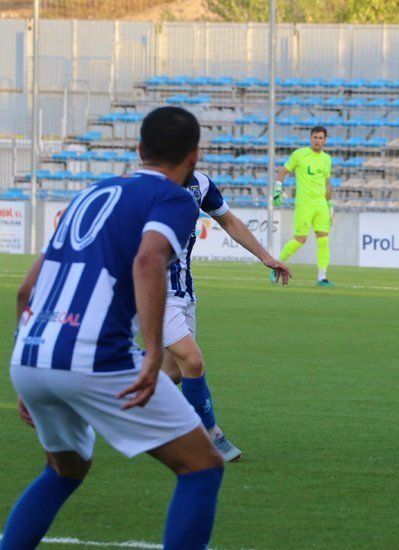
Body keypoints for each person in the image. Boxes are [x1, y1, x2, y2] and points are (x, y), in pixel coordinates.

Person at [4, 106, 224, 549]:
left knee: (63, 470)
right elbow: (149, 258)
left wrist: (29, 367)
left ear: (139, 149)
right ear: (195, 156)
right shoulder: (175, 199)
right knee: (202, 466)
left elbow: (25, 291)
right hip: (95, 356)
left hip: (31, 352)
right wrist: (152, 353)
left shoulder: (91, 192)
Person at [160, 170, 292, 462]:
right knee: (192, 361)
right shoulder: (145, 187)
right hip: (154, 292)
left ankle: (98, 398)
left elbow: (228, 220)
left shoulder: (200, 183)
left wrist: (265, 256)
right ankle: (211, 436)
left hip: (183, 291)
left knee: (172, 373)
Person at [272, 125, 335, 286]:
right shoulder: (299, 155)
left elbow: (327, 183)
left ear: (325, 140)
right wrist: (278, 189)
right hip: (304, 204)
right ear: (310, 138)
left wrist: (330, 205)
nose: (318, 141)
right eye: (315, 137)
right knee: (300, 239)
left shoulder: (327, 159)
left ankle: (322, 277)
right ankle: (276, 265)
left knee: (323, 240)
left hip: (321, 205)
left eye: (321, 138)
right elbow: (283, 172)